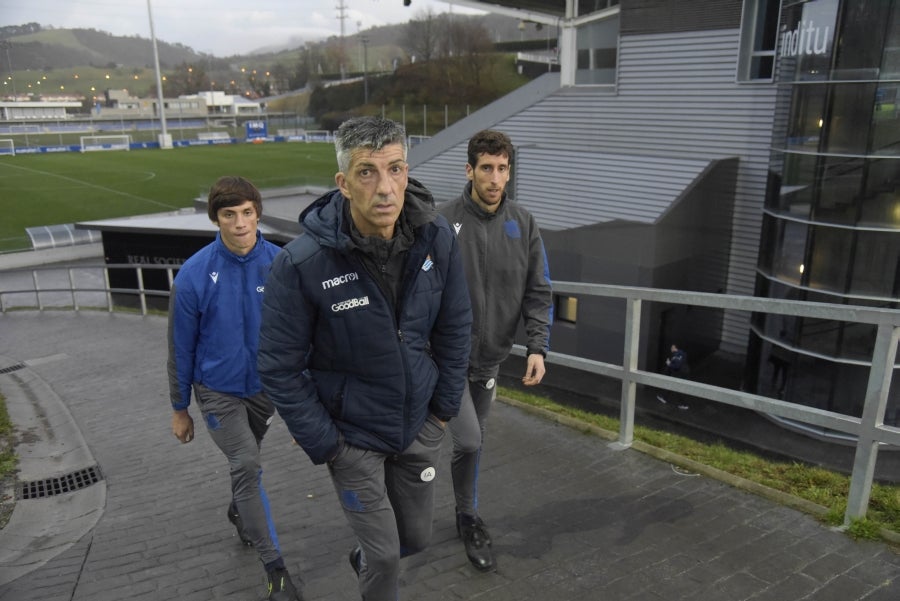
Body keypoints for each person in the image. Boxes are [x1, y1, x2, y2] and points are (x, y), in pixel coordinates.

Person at [257, 116, 473, 601]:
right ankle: (375, 564)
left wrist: (441, 412)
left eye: (394, 169)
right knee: (385, 556)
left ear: (407, 171)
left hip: (419, 427)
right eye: (367, 172)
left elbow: (457, 327)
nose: (385, 188)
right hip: (353, 439)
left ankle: (369, 560)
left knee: (414, 540)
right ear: (343, 183)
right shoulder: (300, 264)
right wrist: (328, 443)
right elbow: (278, 366)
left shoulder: (437, 237)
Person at [167, 175, 303, 601]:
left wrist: (304, 393)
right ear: (216, 219)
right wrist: (179, 407)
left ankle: (239, 508)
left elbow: (301, 334)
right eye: (229, 214)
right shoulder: (193, 275)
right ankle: (275, 569)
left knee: (247, 467)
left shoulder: (282, 263)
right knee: (246, 462)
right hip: (217, 392)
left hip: (266, 390)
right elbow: (179, 347)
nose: (240, 223)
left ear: (258, 213)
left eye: (247, 212)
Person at [437, 129, 553, 572]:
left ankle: (466, 515)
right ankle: (401, 524)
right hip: (445, 360)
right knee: (466, 439)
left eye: (503, 168)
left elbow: (538, 290)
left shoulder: (523, 223)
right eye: (486, 168)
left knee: (473, 443)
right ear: (469, 170)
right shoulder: (442, 222)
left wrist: (537, 347)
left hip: (490, 360)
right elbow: (421, 288)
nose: (495, 178)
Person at [657, 343, 690, 410]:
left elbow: (677, 366)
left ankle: (684, 404)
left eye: (672, 347)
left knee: (677, 388)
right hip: (681, 374)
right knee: (672, 386)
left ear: (675, 348)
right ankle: (663, 397)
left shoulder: (678, 354)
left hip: (678, 374)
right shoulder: (682, 354)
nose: (671, 349)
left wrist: (669, 363)